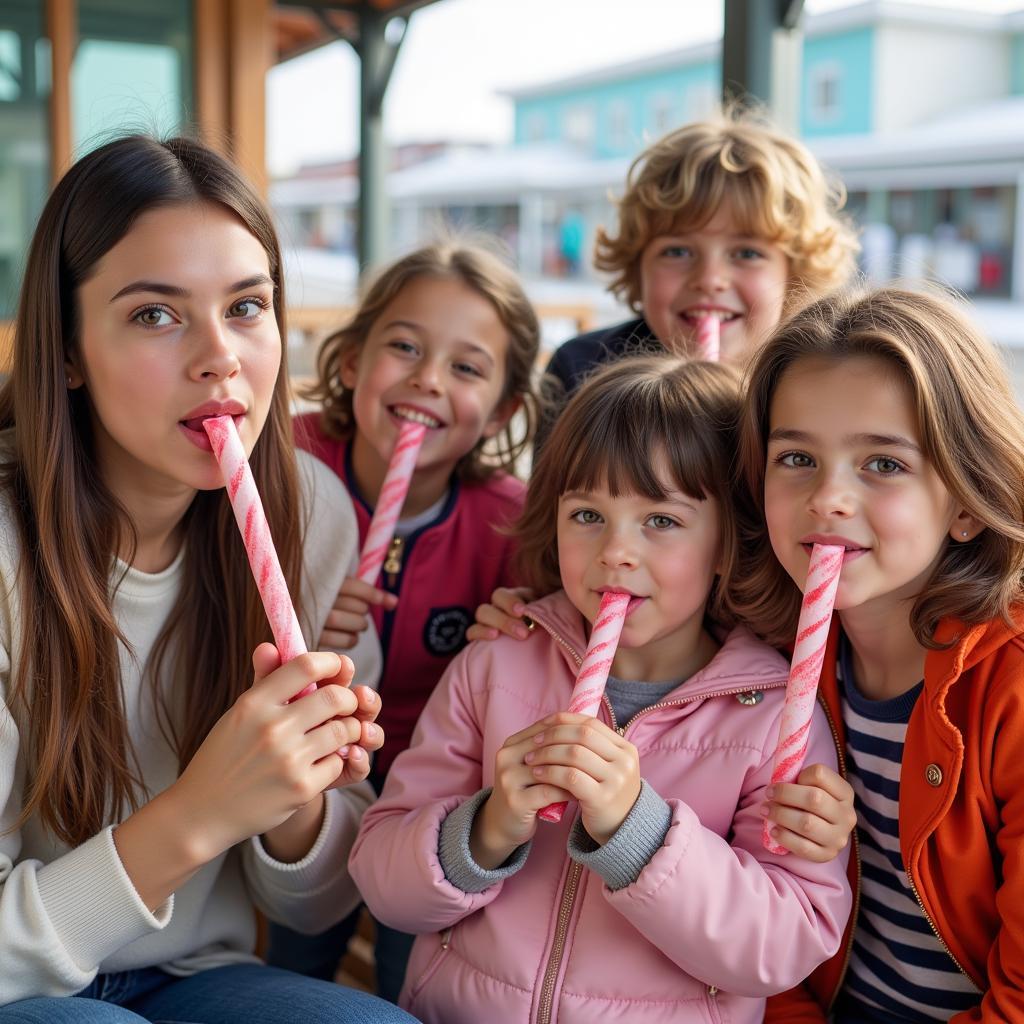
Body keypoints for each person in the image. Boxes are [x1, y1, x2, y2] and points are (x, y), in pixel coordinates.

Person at [0, 135, 416, 1024]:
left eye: (247, 306)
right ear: (67, 351)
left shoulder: (310, 514)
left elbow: (313, 906)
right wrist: (203, 810)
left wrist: (296, 802)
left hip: (197, 977)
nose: (219, 356)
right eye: (156, 314)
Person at [349, 356, 852, 1023]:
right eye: (587, 514)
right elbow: (385, 886)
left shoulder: (772, 718)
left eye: (662, 522)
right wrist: (489, 828)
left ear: (729, 543)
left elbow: (784, 945)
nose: (616, 550)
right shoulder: (497, 664)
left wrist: (637, 831)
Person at [734, 288, 1024, 1022]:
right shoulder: (764, 655)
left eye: (883, 465)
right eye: (796, 457)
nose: (828, 497)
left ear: (965, 501)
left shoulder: (1011, 689)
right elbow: (768, 943)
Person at [275, 241, 539, 998]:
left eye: (466, 367)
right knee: (292, 965)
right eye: (404, 347)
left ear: (504, 411)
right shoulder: (282, 468)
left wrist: (517, 632)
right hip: (304, 788)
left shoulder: (512, 529)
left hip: (431, 806)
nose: (427, 378)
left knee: (410, 982)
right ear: (353, 361)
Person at [539, 105, 859, 439]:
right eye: (677, 251)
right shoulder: (583, 371)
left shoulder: (822, 387)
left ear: (797, 275)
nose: (709, 279)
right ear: (638, 267)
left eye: (747, 253)